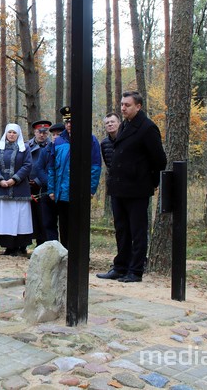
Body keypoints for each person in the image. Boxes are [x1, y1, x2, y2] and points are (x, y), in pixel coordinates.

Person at [97, 91, 167, 283]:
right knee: (122, 229)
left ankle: (135, 270)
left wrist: (149, 182)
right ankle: (120, 266)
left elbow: (159, 160)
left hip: (137, 189)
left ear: (138, 106)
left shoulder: (147, 128)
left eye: (127, 105)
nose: (123, 108)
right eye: (122, 105)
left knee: (137, 230)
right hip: (119, 188)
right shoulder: (125, 126)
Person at [46, 107, 102, 248]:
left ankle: (81, 255)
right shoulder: (58, 141)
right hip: (62, 192)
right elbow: (52, 166)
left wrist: (90, 189)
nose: (69, 124)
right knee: (64, 226)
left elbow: (95, 167)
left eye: (72, 121)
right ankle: (66, 254)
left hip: (80, 192)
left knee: (80, 226)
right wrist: (51, 189)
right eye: (67, 122)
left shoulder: (90, 139)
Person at [0, 124, 33, 256]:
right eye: (9, 132)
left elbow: (27, 165)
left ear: (18, 134)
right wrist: (0, 179)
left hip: (19, 188)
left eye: (14, 132)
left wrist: (14, 179)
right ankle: (8, 246)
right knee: (6, 218)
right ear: (6, 133)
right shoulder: (0, 148)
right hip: (2, 188)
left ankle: (20, 246)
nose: (12, 134)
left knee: (20, 218)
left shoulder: (24, 148)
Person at [26, 120, 52, 246]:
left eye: (45, 132)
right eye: (39, 132)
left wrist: (37, 181)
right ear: (34, 132)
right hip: (26, 185)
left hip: (43, 186)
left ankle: (41, 243)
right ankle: (23, 243)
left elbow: (50, 167)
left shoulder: (51, 146)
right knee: (28, 216)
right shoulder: (26, 146)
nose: (42, 135)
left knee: (43, 216)